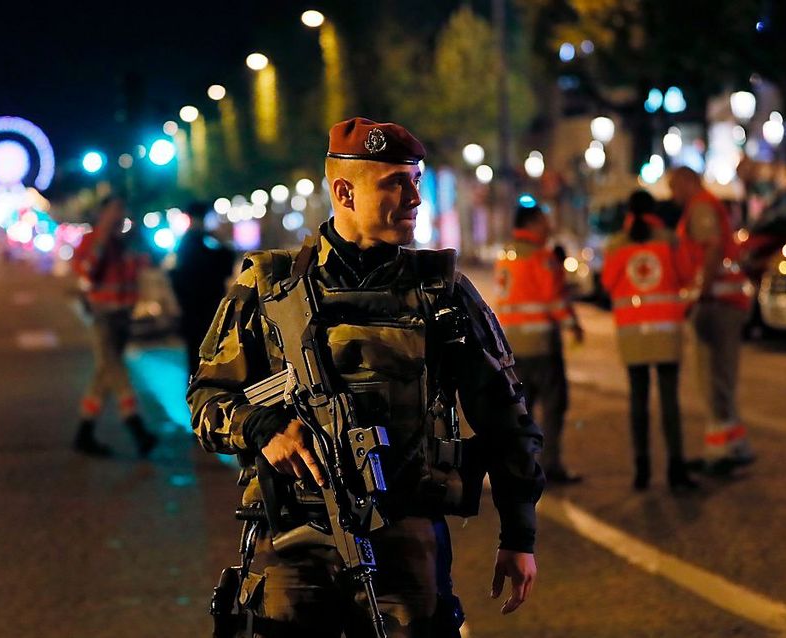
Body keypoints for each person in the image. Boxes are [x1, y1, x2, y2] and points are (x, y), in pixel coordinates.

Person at [188, 117, 544, 637]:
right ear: (344, 191)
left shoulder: (442, 294)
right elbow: (205, 399)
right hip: (293, 540)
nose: (414, 197)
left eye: (416, 180)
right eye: (394, 182)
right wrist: (262, 429)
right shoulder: (269, 286)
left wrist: (519, 534)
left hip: (405, 537)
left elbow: (507, 417)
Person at [601, 190, 698, 492]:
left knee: (638, 401)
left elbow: (607, 283)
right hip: (666, 331)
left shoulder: (617, 244)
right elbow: (686, 275)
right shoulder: (668, 240)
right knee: (670, 402)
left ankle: (641, 470)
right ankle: (676, 468)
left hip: (632, 333)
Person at [669, 167, 755, 474]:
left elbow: (712, 247)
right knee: (722, 378)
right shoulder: (704, 205)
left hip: (717, 303)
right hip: (724, 302)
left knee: (713, 378)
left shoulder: (701, 206)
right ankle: (732, 446)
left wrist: (700, 293)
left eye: (674, 186)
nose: (672, 194)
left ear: (687, 181)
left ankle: (722, 453)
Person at [494, 202, 584, 484]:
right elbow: (554, 299)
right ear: (532, 223)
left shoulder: (506, 256)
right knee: (555, 405)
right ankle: (551, 464)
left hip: (513, 347)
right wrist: (573, 325)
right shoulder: (541, 257)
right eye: (544, 221)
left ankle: (521, 466)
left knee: (522, 410)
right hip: (542, 346)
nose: (549, 227)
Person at [71, 196, 158, 458]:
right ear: (103, 214)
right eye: (115, 210)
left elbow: (149, 262)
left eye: (122, 210)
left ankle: (84, 433)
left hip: (123, 316)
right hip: (103, 317)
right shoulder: (92, 241)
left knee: (103, 375)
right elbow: (87, 272)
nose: (121, 215)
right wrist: (103, 236)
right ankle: (136, 426)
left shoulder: (127, 243)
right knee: (116, 370)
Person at [170, 200, 236, 379]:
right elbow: (224, 264)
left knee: (196, 354)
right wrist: (220, 240)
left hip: (193, 309)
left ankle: (197, 389)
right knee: (206, 353)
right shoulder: (200, 242)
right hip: (206, 308)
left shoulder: (186, 243)